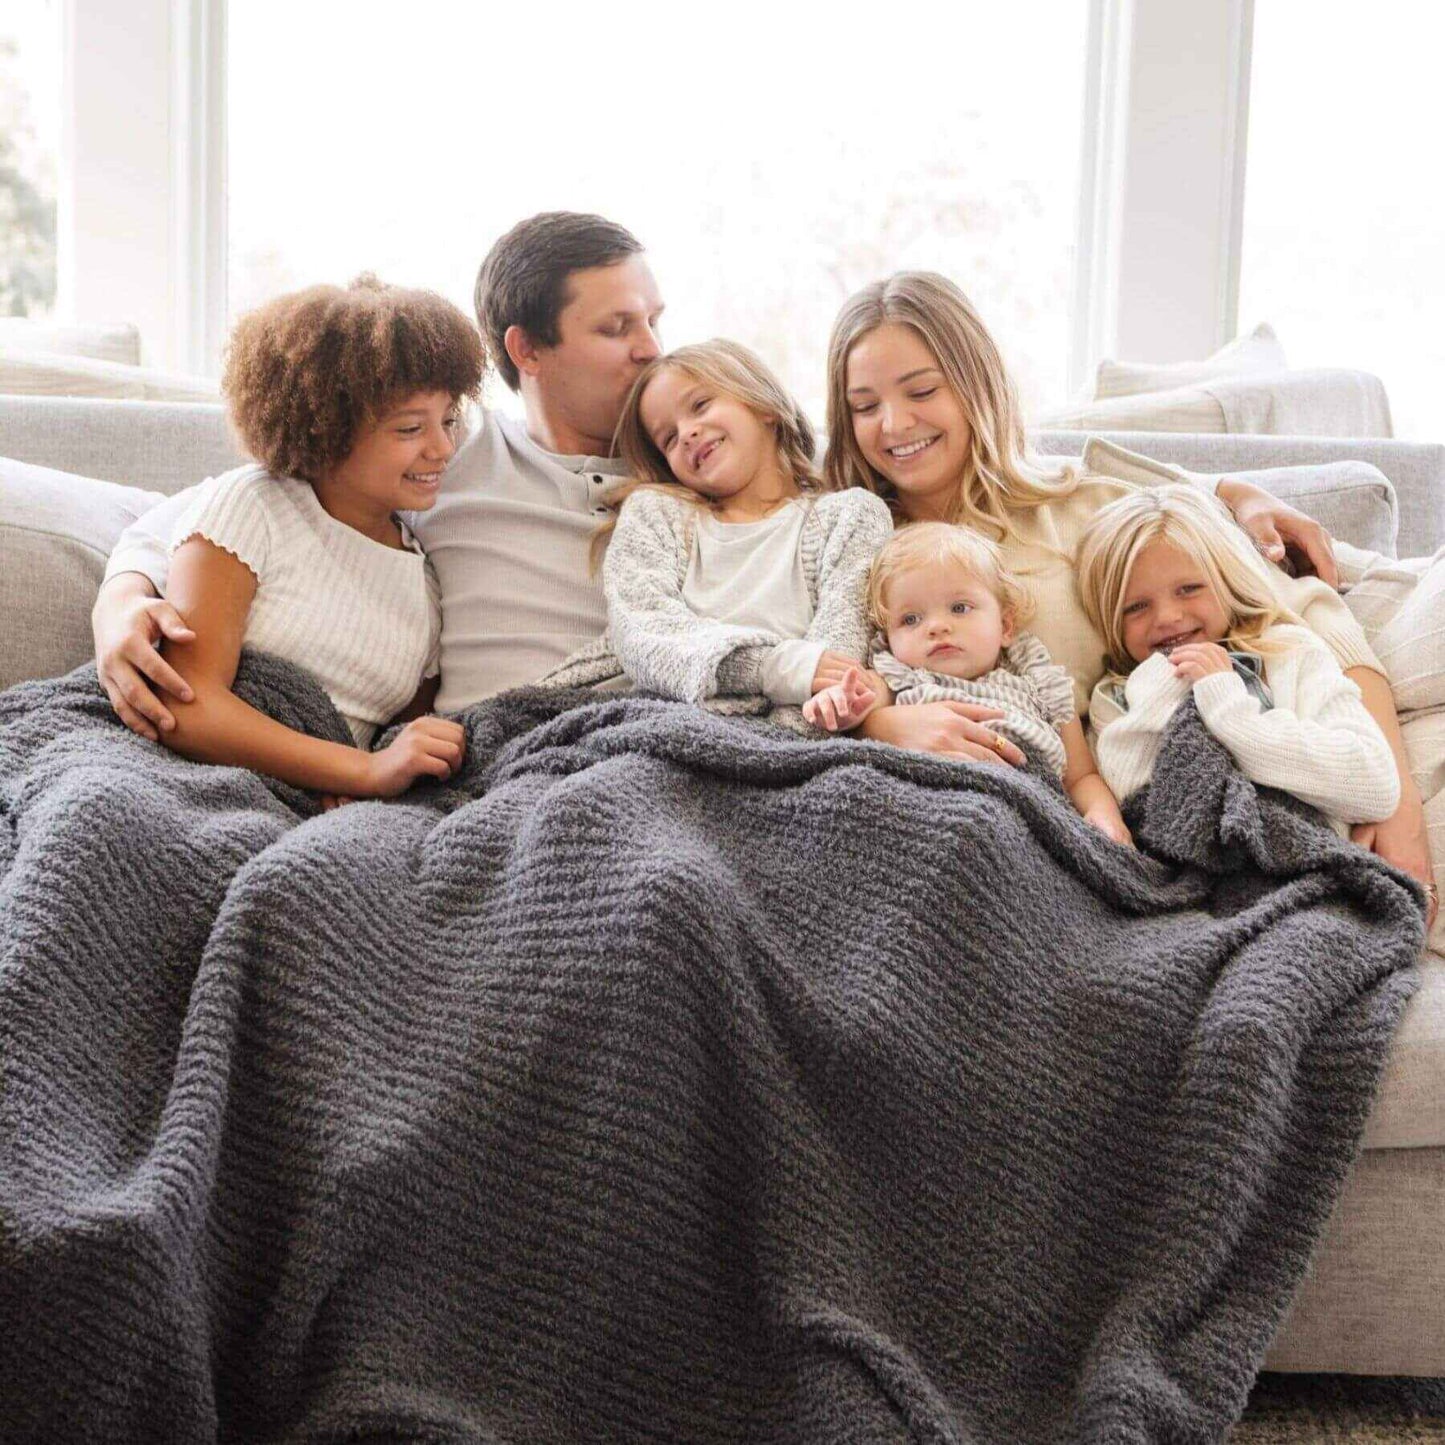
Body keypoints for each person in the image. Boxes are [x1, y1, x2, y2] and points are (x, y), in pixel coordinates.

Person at [822, 270, 1436, 923]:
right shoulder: (850, 539)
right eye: (864, 406)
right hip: (928, 820)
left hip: (1103, 808)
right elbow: (807, 687)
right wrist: (880, 724)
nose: (894, 423)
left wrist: (1399, 809)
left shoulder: (1084, 503)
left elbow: (1303, 612)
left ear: (975, 384)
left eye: (921, 391)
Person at [92, 212, 665, 738]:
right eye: (617, 328)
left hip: (637, 735)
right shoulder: (449, 448)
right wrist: (119, 603)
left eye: (654, 321)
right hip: (493, 749)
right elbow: (197, 516)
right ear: (528, 350)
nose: (652, 349)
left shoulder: (688, 459)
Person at [147, 276, 477, 797]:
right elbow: (184, 703)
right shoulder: (255, 505)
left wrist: (357, 775)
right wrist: (358, 770)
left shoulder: (428, 587)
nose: (442, 449)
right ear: (327, 427)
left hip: (305, 803)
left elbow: (399, 746)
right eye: (411, 429)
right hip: (179, 770)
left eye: (449, 420)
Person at [562, 340, 891, 718]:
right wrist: (774, 667)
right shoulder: (657, 514)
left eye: (700, 405)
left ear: (764, 405)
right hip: (662, 721)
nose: (687, 433)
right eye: (669, 438)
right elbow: (642, 632)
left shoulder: (851, 517)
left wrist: (788, 732)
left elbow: (838, 669)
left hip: (789, 736)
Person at [1078, 485, 1399, 833]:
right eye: (1136, 607)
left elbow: (1375, 784)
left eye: (1189, 589)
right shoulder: (1114, 697)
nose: (1168, 617)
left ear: (1227, 581)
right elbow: (1133, 798)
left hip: (1305, 853)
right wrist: (1166, 682)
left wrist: (1231, 713)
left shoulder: (1288, 652)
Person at [809, 521, 1131, 841]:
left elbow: (1081, 777)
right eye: (911, 619)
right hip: (920, 805)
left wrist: (1104, 814)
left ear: (1006, 626)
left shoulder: (1042, 686)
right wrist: (838, 703)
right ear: (889, 636)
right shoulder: (897, 678)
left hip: (1023, 810)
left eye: (959, 608)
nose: (937, 626)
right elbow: (859, 699)